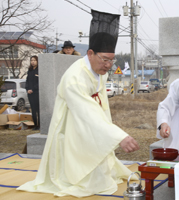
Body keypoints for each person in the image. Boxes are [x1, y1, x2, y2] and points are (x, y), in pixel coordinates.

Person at [17, 10, 139, 197]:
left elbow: (100, 106)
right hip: (73, 124)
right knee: (76, 169)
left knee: (97, 162)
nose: (108, 65)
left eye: (111, 60)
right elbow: (86, 111)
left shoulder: (99, 72)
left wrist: (107, 128)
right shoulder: (75, 77)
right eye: (105, 59)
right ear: (90, 53)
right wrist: (117, 135)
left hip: (93, 123)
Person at [25, 55, 40, 130]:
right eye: (31, 60)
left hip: (37, 92)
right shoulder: (30, 70)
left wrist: (33, 89)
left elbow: (39, 82)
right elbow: (27, 81)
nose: (33, 62)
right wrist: (27, 89)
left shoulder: (39, 70)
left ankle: (39, 125)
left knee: (38, 109)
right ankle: (35, 125)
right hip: (30, 93)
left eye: (34, 60)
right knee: (33, 109)